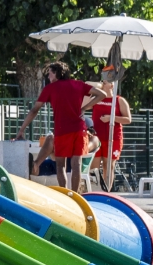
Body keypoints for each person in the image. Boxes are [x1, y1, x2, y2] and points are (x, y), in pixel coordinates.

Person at [15, 62, 109, 191]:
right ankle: (75, 196)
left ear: (56, 73)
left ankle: (64, 194)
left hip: (62, 130)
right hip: (79, 129)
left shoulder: (50, 88)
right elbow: (102, 94)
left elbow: (34, 110)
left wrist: (21, 130)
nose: (48, 77)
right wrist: (85, 108)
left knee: (61, 166)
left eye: (50, 73)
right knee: (77, 164)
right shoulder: (78, 84)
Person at [90, 78, 131, 192]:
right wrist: (92, 88)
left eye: (106, 81)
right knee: (94, 167)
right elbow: (82, 104)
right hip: (96, 138)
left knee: (108, 166)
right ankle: (95, 190)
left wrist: (110, 118)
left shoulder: (119, 100)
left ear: (112, 85)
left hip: (113, 138)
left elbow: (128, 119)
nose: (102, 82)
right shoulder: (97, 99)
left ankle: (106, 191)